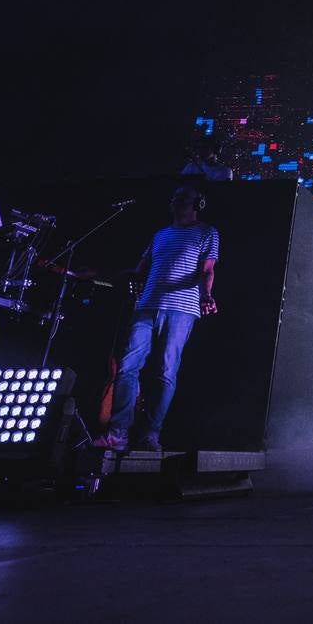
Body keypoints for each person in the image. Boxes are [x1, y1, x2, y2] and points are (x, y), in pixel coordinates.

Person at [92, 185, 219, 452]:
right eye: (175, 197)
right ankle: (118, 433)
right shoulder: (160, 234)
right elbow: (139, 271)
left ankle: (150, 434)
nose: (176, 201)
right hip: (147, 305)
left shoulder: (207, 232)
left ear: (198, 205)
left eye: (183, 198)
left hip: (182, 309)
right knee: (128, 367)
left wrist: (206, 295)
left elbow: (207, 270)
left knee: (166, 371)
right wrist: (93, 273)